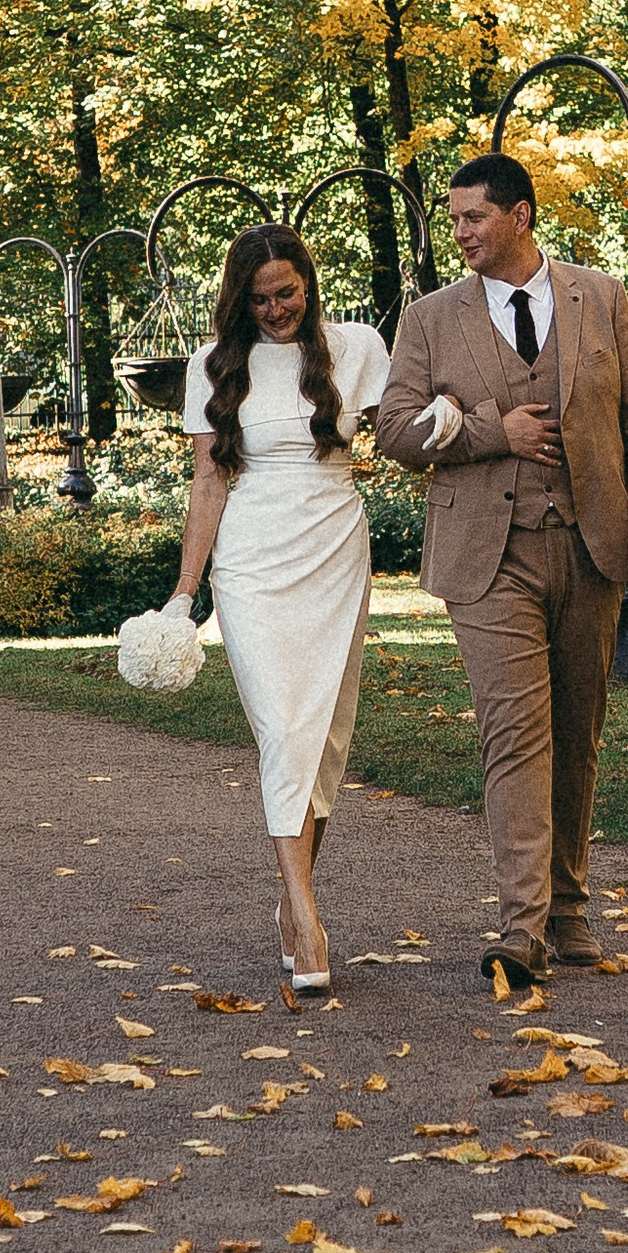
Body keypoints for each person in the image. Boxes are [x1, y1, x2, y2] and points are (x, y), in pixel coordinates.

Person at [375, 152, 628, 997]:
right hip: (487, 555)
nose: (460, 233)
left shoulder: (600, 295)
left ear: (521, 216)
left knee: (577, 732)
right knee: (514, 733)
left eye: (474, 217)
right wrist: (485, 430)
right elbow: (393, 431)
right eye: (454, 218)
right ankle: (522, 929)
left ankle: (570, 912)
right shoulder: (430, 318)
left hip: (593, 548)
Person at [167, 224, 390, 1005]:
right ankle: (305, 913)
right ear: (239, 298)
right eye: (259, 298)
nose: (274, 310)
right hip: (252, 560)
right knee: (282, 729)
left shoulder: (357, 346)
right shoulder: (213, 367)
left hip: (334, 548)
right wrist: (184, 592)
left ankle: (292, 903)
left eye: (287, 293)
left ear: (309, 285)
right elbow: (208, 483)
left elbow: (403, 432)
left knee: (324, 735)